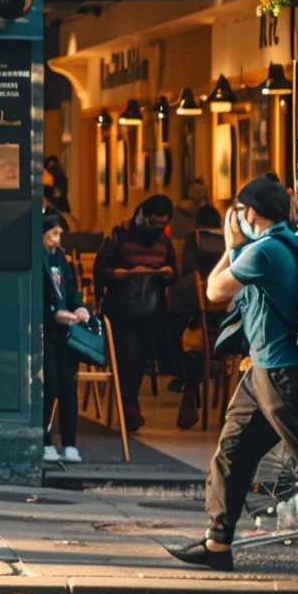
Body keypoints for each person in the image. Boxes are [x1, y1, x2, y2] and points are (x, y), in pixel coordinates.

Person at [169, 176, 298, 585]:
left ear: (250, 212)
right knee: (233, 449)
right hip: (264, 371)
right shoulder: (287, 241)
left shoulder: (266, 250)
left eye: (240, 211)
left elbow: (216, 290)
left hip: (285, 375)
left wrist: (232, 243)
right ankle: (218, 543)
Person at [92, 194, 178, 432]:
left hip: (150, 308)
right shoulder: (120, 235)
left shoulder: (164, 242)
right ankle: (129, 406)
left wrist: (168, 273)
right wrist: (119, 273)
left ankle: (130, 404)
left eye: (162, 224)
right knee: (128, 356)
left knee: (142, 358)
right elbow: (100, 268)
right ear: (142, 216)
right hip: (121, 308)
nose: (156, 228)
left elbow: (174, 272)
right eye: (153, 222)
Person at [168, 206, 225, 430]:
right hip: (229, 324)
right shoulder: (231, 240)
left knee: (184, 334)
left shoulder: (195, 239)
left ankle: (188, 383)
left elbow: (190, 273)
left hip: (203, 321)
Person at [42, 209, 91, 463]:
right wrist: (54, 314)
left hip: (65, 329)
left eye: (60, 233)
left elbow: (70, 288)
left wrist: (80, 306)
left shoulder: (60, 257)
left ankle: (70, 442)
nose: (58, 238)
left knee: (69, 385)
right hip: (48, 329)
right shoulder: (38, 258)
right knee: (51, 384)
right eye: (53, 233)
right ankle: (45, 440)